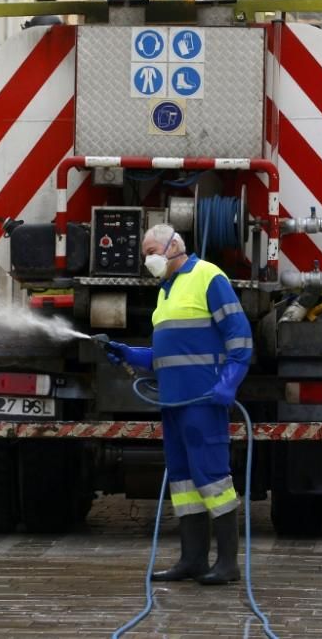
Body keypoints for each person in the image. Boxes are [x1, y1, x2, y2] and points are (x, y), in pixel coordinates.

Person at [106, 224, 252, 585]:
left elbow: (240, 336)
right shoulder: (165, 291)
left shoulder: (208, 277)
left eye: (153, 250)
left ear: (175, 246)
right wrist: (130, 354)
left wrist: (229, 383)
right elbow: (167, 355)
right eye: (145, 254)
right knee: (184, 483)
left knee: (213, 479)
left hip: (203, 400)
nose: (149, 259)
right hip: (173, 402)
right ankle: (192, 560)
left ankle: (228, 563)